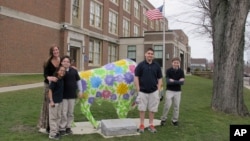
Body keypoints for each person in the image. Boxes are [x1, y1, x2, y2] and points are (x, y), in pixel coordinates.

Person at [134, 48, 163, 133]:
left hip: (153, 91)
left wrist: (158, 89)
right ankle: (142, 125)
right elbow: (136, 77)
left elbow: (160, 78)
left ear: (153, 56)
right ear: (145, 54)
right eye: (148, 53)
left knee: (152, 109)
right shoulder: (140, 65)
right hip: (142, 91)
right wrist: (138, 89)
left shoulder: (157, 66)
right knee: (142, 109)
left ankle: (151, 125)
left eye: (151, 54)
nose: (150, 55)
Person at [38, 44, 61, 133]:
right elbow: (45, 74)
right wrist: (49, 78)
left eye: (57, 50)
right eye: (54, 50)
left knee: (57, 105)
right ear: (51, 52)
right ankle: (48, 126)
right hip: (48, 85)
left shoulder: (61, 60)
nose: (55, 51)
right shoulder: (48, 62)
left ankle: (56, 125)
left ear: (58, 51)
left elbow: (65, 67)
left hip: (58, 86)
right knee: (49, 105)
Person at [59, 55, 83, 135]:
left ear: (70, 63)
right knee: (63, 112)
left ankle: (68, 127)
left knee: (70, 112)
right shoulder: (60, 71)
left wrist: (80, 91)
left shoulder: (74, 71)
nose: (66, 63)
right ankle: (62, 127)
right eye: (64, 61)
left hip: (72, 95)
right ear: (61, 62)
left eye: (67, 62)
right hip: (63, 95)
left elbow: (78, 81)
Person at [160, 57, 185, 126]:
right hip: (169, 91)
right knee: (167, 105)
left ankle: (174, 120)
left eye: (177, 63)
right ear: (172, 63)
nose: (176, 64)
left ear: (179, 63)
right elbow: (168, 82)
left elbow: (182, 83)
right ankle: (163, 119)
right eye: (174, 62)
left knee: (176, 106)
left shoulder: (181, 71)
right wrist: (178, 81)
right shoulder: (168, 71)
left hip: (178, 91)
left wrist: (173, 81)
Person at [48, 65, 66, 140]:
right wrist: (51, 101)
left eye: (63, 71)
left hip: (60, 101)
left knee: (59, 117)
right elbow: (50, 90)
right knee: (53, 118)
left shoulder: (61, 79)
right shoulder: (55, 80)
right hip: (54, 102)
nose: (62, 72)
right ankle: (52, 134)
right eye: (61, 70)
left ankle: (56, 131)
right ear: (58, 71)